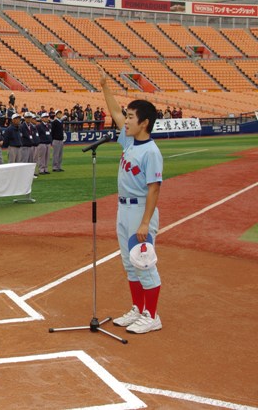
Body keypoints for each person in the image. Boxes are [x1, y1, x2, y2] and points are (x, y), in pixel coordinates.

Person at [100, 70, 163, 335]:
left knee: (143, 261)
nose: (125, 121)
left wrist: (145, 222)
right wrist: (105, 87)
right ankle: (138, 308)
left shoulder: (151, 151)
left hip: (140, 210)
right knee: (129, 263)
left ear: (144, 123)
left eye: (131, 117)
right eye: (126, 116)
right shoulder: (129, 141)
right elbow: (115, 113)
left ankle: (152, 315)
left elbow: (154, 189)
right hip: (123, 209)